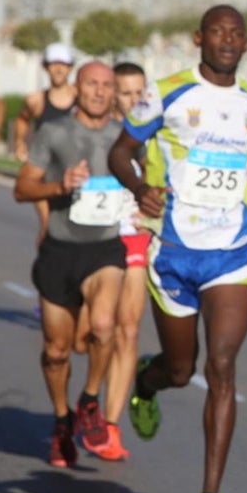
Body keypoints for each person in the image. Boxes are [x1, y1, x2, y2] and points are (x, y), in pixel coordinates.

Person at [108, 5, 247, 493]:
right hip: (173, 251)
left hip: (232, 251)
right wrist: (140, 189)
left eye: (236, 34)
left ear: (246, 44)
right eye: (217, 32)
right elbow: (120, 152)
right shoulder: (166, 94)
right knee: (182, 370)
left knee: (222, 366)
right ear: (199, 38)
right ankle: (148, 380)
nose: (227, 40)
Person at [13, 61, 126, 467]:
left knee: (103, 326)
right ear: (78, 88)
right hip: (61, 251)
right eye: (91, 83)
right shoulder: (55, 133)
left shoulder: (124, 137)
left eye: (106, 85)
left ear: (113, 92)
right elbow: (22, 188)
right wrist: (59, 185)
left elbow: (146, 180)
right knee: (57, 351)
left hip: (105, 248)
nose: (99, 91)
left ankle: (90, 400)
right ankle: (63, 420)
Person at [86, 61, 151, 461]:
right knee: (91, 334)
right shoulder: (99, 134)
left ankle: (109, 427)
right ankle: (88, 398)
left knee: (128, 330)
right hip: (93, 242)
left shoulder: (157, 136)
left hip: (134, 238)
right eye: (126, 93)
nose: (134, 100)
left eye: (140, 92)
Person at [14, 42, 77, 245]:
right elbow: (22, 119)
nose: (58, 69)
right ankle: (47, 262)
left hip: (74, 172)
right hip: (44, 174)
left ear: (70, 67)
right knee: (49, 227)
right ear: (45, 67)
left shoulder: (80, 98)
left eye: (63, 64)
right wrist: (20, 143)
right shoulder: (36, 100)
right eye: (53, 64)